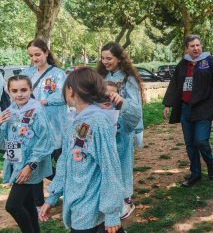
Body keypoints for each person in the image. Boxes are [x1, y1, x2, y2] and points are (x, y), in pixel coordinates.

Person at [39, 67, 125, 233]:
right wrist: (53, 196)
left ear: (71, 91)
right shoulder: (76, 122)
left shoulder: (98, 123)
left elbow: (111, 169)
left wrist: (112, 213)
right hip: (77, 208)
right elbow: (64, 161)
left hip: (92, 210)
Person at [163, 34, 213, 187]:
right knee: (190, 143)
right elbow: (175, 84)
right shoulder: (183, 64)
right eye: (192, 46)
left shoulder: (209, 61)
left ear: (201, 46)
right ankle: (195, 173)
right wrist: (168, 104)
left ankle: (210, 162)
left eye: (198, 45)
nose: (196, 48)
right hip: (185, 109)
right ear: (187, 49)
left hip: (203, 107)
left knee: (200, 140)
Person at [97, 42, 144, 219]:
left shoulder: (128, 79)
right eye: (103, 58)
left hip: (123, 127)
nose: (105, 61)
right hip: (104, 126)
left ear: (118, 58)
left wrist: (120, 101)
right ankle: (109, 197)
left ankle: (126, 200)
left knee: (123, 163)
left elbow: (135, 107)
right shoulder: (100, 77)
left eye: (109, 58)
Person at [1, 75, 53, 233]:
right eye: (14, 90)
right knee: (28, 205)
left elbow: (46, 140)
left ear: (31, 90)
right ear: (8, 92)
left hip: (29, 166)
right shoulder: (9, 111)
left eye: (24, 90)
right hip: (16, 163)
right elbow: (3, 141)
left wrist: (31, 165)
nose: (19, 94)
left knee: (13, 205)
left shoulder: (37, 110)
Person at [20, 38, 67, 210]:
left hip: (56, 128)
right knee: (37, 164)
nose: (34, 58)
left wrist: (43, 101)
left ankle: (68, 189)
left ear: (46, 53)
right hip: (34, 129)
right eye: (31, 55)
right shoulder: (27, 73)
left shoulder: (58, 74)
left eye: (38, 54)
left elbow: (63, 96)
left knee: (61, 163)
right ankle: (38, 202)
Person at [99, 81, 141, 220]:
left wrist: (123, 103)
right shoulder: (96, 115)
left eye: (111, 95)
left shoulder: (123, 116)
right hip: (105, 158)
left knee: (123, 178)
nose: (108, 99)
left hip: (122, 155)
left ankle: (126, 200)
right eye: (104, 96)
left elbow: (135, 117)